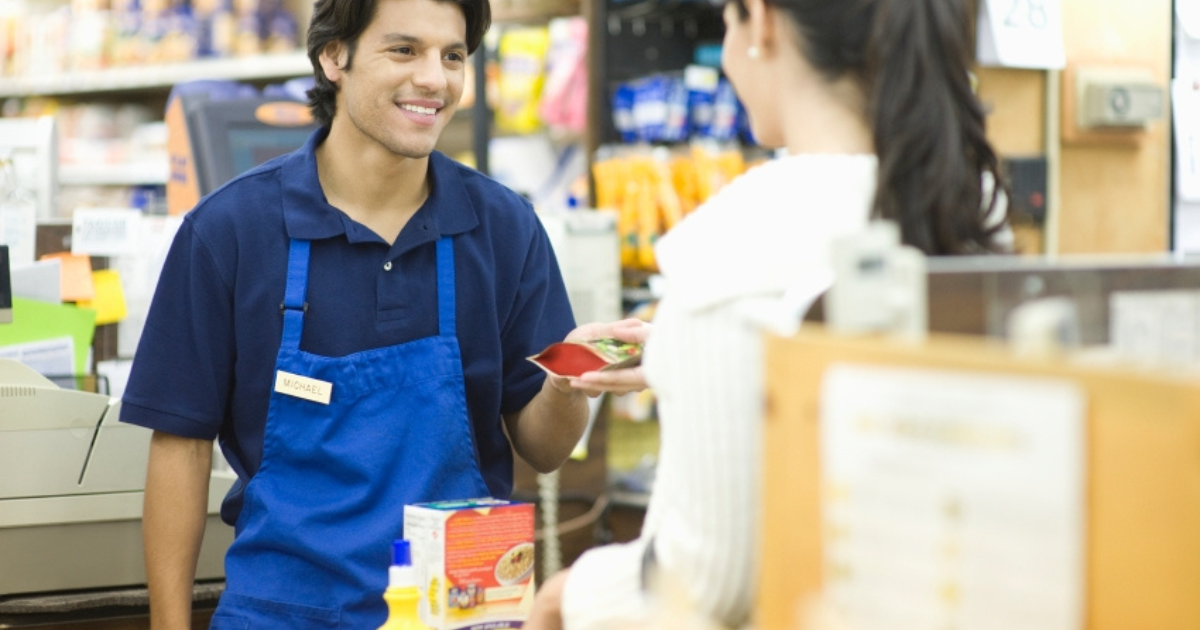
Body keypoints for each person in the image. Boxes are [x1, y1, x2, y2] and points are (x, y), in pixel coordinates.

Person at [526, 0, 1009, 629]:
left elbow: (708, 581)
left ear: (761, 21)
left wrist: (571, 596)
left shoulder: (742, 240)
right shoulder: (969, 206)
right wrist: (685, 355)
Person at [119, 0, 595, 628]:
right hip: (286, 613)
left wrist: (567, 381)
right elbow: (179, 447)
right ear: (333, 56)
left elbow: (547, 449)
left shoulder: (504, 228)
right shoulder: (230, 231)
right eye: (404, 50)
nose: (435, 78)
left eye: (452, 56)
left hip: (462, 611)